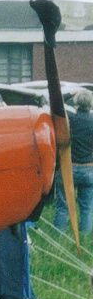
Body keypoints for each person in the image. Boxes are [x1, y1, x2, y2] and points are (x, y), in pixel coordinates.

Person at [56, 89, 93, 235]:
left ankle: (59, 236)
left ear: (76, 103)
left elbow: (56, 104)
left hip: (69, 167)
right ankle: (85, 237)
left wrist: (70, 94)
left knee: (63, 205)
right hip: (89, 169)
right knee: (87, 206)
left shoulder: (69, 118)